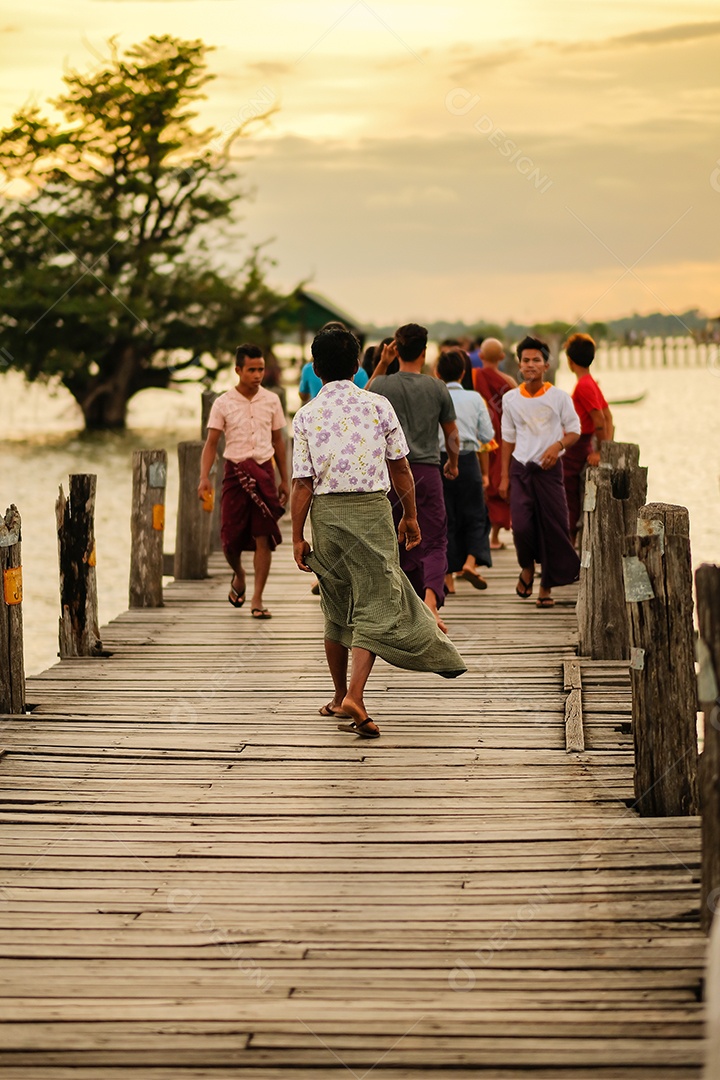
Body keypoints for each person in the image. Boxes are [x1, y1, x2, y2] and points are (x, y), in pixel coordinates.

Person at [291, 327, 466, 740]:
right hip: (372, 510)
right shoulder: (378, 406)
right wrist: (410, 516)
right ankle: (355, 694)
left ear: (315, 368)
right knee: (376, 601)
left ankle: (337, 696)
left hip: (327, 516)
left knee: (336, 605)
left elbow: (302, 483)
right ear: (357, 366)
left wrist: (298, 535)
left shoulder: (306, 415)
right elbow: (401, 468)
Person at [367, 323, 459, 632]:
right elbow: (452, 435)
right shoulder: (437, 387)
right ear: (424, 352)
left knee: (396, 539)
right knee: (434, 539)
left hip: (391, 474)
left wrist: (382, 362)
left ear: (397, 350)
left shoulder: (381, 385)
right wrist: (454, 463)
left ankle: (403, 606)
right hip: (427, 470)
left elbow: (362, 400)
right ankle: (430, 602)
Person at [198, 343, 289, 619]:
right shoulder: (223, 403)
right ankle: (238, 574)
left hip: (264, 472)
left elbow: (279, 442)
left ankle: (257, 599)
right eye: (251, 370)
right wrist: (204, 477)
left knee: (264, 536)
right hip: (235, 473)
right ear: (238, 370)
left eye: (261, 369)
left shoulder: (272, 400)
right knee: (230, 538)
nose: (257, 374)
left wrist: (285, 479)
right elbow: (211, 443)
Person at [499, 336, 581, 608]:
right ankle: (526, 567)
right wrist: (503, 476)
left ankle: (546, 588)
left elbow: (575, 431)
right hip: (521, 469)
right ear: (519, 365)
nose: (530, 365)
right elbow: (507, 439)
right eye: (525, 360)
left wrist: (556, 446)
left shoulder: (559, 398)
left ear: (547, 364)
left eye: (536, 360)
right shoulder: (510, 399)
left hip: (549, 471)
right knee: (521, 527)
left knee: (553, 527)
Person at [436, 349, 495, 590]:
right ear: (463, 372)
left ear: (438, 373)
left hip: (437, 460)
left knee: (444, 517)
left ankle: (447, 578)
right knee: (476, 514)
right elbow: (487, 436)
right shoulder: (474, 398)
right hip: (468, 458)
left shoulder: (434, 396)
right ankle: (470, 562)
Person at [562, 333, 615, 542]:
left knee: (568, 498)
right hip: (581, 444)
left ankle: (568, 548)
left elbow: (600, 419)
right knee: (571, 497)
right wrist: (605, 445)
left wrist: (601, 450)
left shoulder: (583, 386)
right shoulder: (590, 382)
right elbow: (608, 416)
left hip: (577, 447)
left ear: (569, 361)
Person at [472, 338, 517, 550]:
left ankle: (482, 536)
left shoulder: (472, 378)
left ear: (480, 356)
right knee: (499, 481)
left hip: (478, 438)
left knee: (482, 484)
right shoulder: (510, 383)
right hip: (501, 440)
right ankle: (495, 537)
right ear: (502, 357)